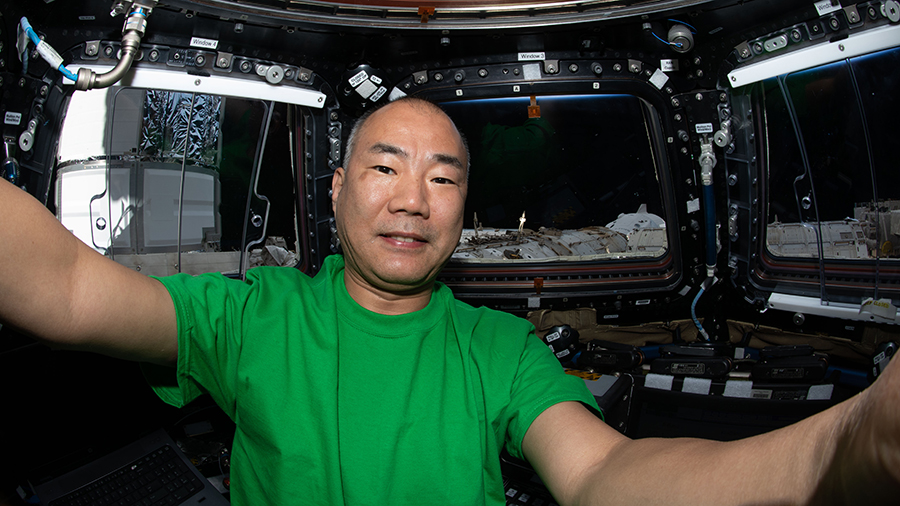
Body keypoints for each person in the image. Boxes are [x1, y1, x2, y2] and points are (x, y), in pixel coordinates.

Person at [0, 96, 898, 505]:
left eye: (442, 178)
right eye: (386, 168)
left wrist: (842, 446)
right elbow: (72, 287)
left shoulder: (499, 348)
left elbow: (602, 475)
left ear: (464, 212)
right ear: (341, 184)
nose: (411, 198)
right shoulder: (251, 317)